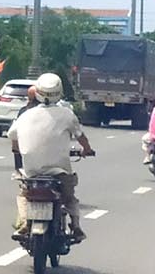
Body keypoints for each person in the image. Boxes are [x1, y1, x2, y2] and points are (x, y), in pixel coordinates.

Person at [8, 72, 94, 241]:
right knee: (69, 198)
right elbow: (81, 136)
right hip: (59, 172)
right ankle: (75, 226)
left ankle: (25, 222)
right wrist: (87, 149)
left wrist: (19, 150)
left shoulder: (25, 115)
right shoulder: (67, 114)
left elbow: (14, 138)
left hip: (32, 172)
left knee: (24, 194)